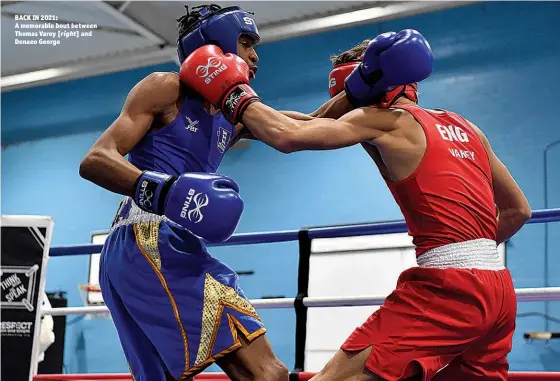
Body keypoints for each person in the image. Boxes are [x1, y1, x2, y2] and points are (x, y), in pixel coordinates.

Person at [179, 30, 531, 381]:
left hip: (448, 290)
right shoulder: (467, 127)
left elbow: (289, 136)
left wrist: (232, 92)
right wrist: (468, 257)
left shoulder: (383, 120)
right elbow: (519, 211)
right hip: (500, 291)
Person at [78, 4, 352, 381]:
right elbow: (96, 158)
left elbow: (315, 124)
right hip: (148, 241)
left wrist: (363, 86)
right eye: (245, 43)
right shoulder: (165, 87)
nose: (255, 56)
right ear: (215, 45)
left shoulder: (232, 114)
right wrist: (164, 191)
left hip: (159, 246)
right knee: (266, 373)